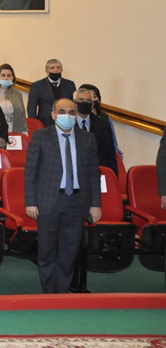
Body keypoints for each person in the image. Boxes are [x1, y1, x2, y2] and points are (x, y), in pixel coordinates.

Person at [25, 98, 101, 293]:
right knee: (47, 250)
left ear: (76, 115)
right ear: (53, 115)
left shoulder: (87, 138)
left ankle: (63, 292)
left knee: (69, 251)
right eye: (62, 111)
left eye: (71, 112)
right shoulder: (41, 136)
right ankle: (49, 293)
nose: (67, 115)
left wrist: (96, 204)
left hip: (77, 202)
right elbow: (31, 171)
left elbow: (94, 173)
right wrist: (31, 202)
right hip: (49, 201)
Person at [74, 86, 117, 174]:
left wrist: (112, 175)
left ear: (93, 104)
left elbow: (110, 154)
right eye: (81, 100)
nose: (85, 103)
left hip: (98, 172)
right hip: (74, 173)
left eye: (88, 101)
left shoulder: (103, 124)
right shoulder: (67, 124)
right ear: (74, 103)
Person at [28, 59, 76, 127]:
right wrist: (34, 124)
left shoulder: (70, 84)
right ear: (46, 71)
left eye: (58, 67)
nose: (55, 70)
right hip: (44, 123)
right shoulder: (37, 85)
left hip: (66, 121)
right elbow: (31, 107)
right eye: (52, 68)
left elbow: (74, 104)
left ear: (62, 70)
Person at [0, 63, 27, 133]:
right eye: (3, 75)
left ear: (13, 77)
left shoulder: (18, 94)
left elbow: (22, 115)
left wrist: (24, 131)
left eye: (9, 76)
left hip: (14, 129)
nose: (6, 78)